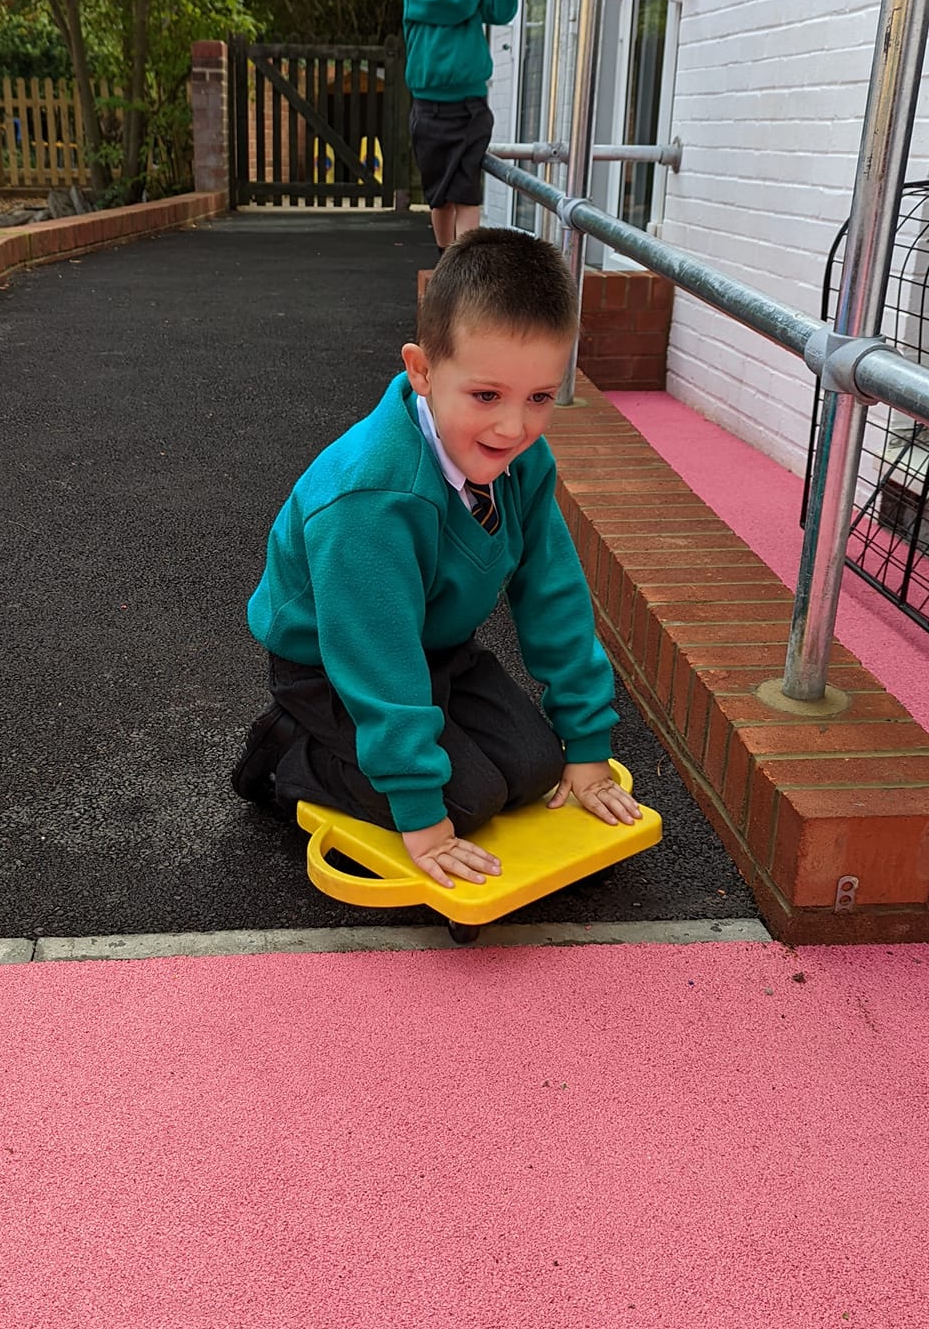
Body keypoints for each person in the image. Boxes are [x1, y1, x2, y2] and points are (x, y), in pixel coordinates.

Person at [233, 228, 639, 891]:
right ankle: (289, 755)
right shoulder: (370, 498)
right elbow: (376, 656)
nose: (514, 428)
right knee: (465, 801)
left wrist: (588, 743)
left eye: (539, 397)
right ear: (421, 371)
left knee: (538, 767)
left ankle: (420, 747)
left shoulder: (522, 461)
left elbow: (553, 594)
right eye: (487, 396)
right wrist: (420, 816)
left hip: (435, 649)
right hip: (331, 666)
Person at [402, 0, 525, 252]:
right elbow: (455, 1)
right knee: (440, 195)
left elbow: (498, 10)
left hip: (470, 106)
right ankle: (446, 257)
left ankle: (464, 265)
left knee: (467, 191)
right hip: (430, 108)